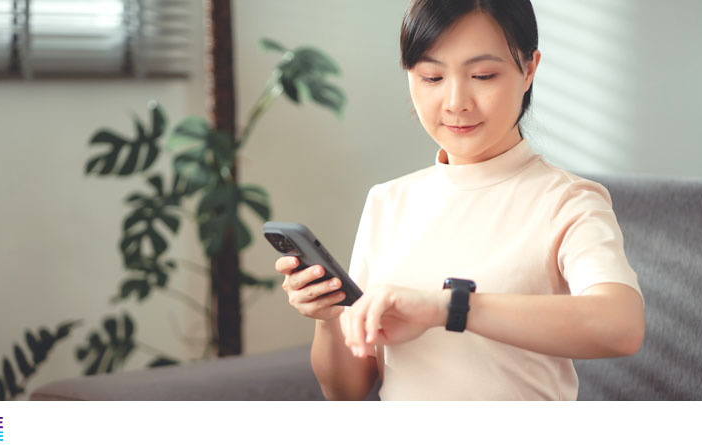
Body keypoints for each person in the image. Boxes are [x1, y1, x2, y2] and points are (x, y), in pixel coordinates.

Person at [274, 0, 645, 400]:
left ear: (529, 69)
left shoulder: (567, 201)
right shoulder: (388, 201)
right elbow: (348, 391)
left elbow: (620, 326)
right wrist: (329, 318)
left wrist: (447, 307)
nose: (456, 102)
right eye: (432, 77)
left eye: (483, 75)